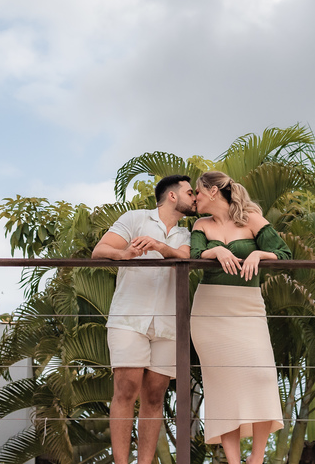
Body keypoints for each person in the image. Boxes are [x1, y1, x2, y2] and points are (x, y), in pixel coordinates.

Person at [93, 174, 197, 464]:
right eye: (191, 193)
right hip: (129, 317)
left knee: (155, 396)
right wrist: (124, 254)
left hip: (168, 322)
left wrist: (160, 247)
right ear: (173, 196)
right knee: (126, 388)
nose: (195, 198)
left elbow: (182, 257)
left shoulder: (188, 234)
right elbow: (100, 250)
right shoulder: (135, 218)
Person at [189, 170, 291, 464]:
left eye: (197, 191)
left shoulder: (252, 220)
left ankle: (256, 458)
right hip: (210, 311)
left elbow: (283, 254)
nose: (194, 198)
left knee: (261, 377)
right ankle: (234, 461)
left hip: (247, 308)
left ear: (211, 192)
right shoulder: (201, 224)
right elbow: (195, 254)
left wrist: (259, 255)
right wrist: (217, 251)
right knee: (223, 385)